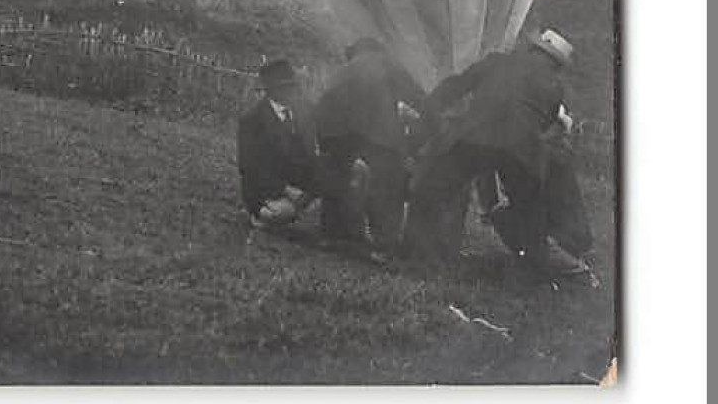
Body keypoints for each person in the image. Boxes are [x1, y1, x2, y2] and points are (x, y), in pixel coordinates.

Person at [405, 29, 584, 276]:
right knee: (530, 214)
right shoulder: (554, 87)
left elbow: (455, 86)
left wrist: (431, 113)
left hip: (476, 136)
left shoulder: (496, 61)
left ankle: (419, 257)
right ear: (555, 63)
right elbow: (544, 126)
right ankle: (539, 268)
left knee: (431, 188)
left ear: (532, 49)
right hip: (522, 150)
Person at [312, 38, 425, 250]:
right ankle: (384, 243)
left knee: (339, 176)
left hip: (333, 131)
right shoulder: (387, 63)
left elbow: (323, 105)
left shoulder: (345, 69)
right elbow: (416, 96)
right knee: (388, 182)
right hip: (375, 132)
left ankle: (332, 235)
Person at [237, 59, 325, 229]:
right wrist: (286, 190)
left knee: (355, 169)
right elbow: (249, 167)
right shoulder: (252, 120)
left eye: (293, 86)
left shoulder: (303, 110)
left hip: (301, 181)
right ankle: (261, 213)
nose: (293, 92)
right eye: (286, 87)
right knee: (282, 213)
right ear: (271, 91)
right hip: (267, 190)